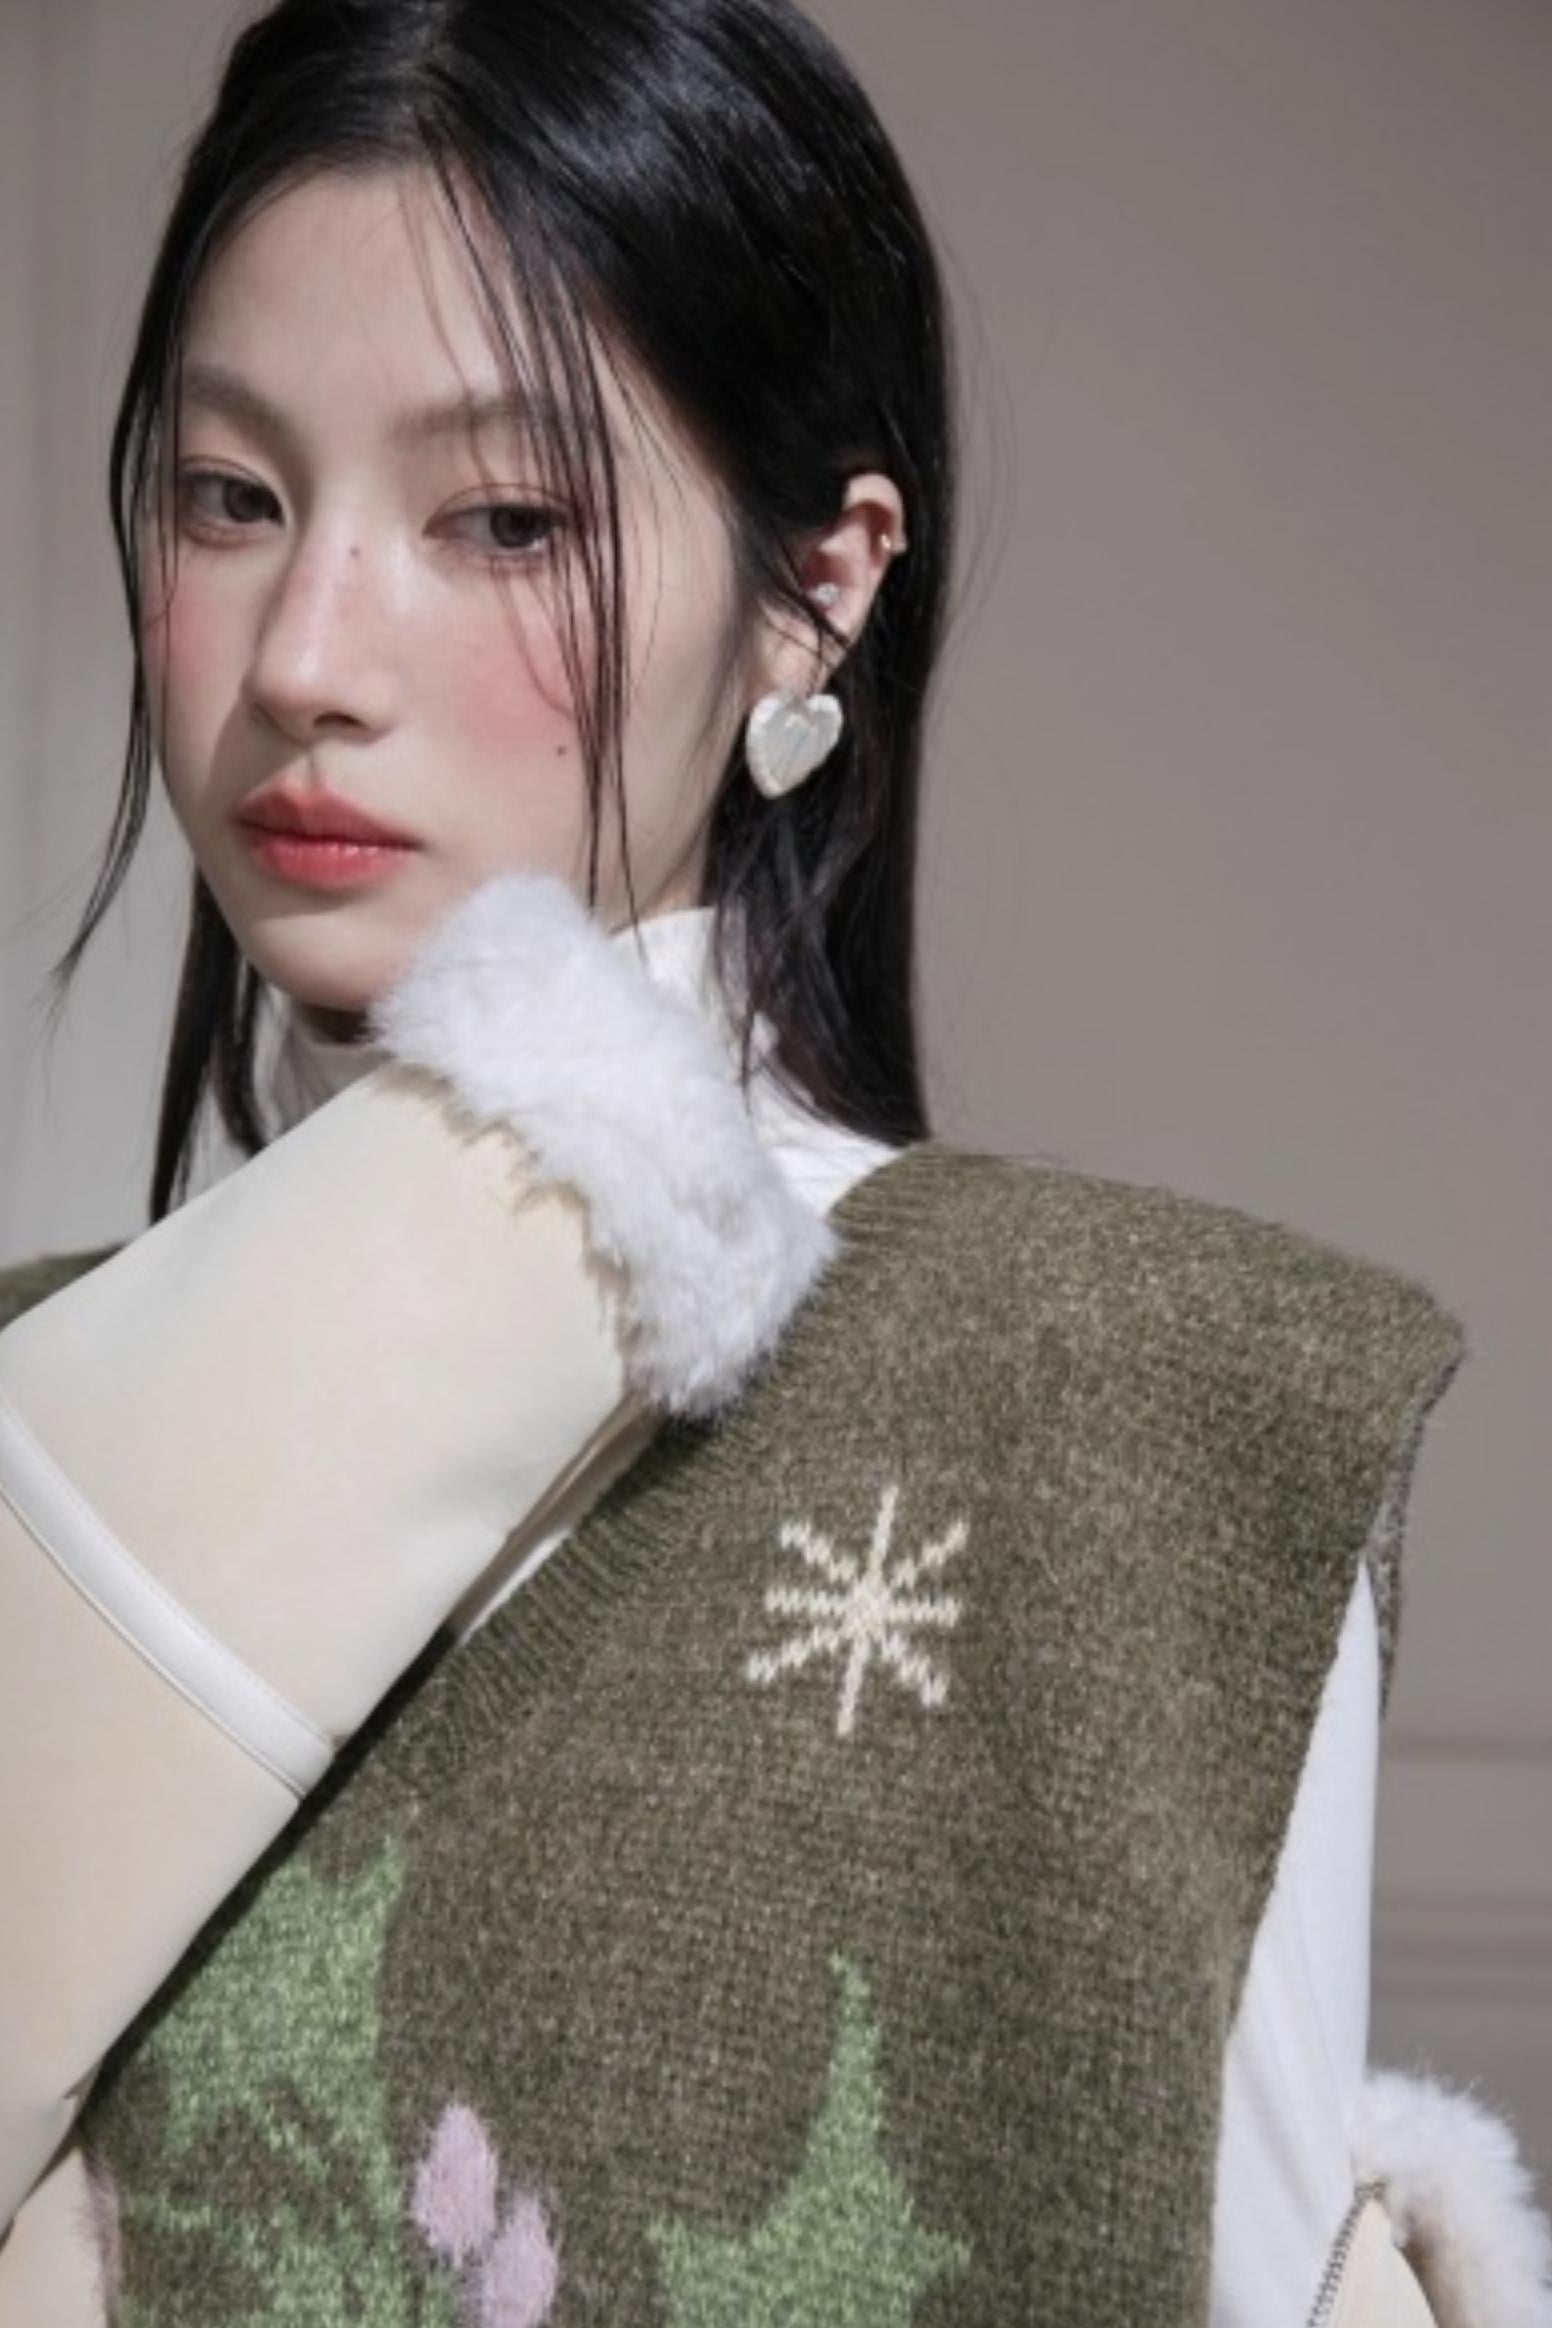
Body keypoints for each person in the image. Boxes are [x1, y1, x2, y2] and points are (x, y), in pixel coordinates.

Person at [0, 2, 1547, 2323]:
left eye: (500, 520)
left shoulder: (1143, 1415)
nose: (304, 655)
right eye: (231, 497)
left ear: (817, 586)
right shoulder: (43, 1396)